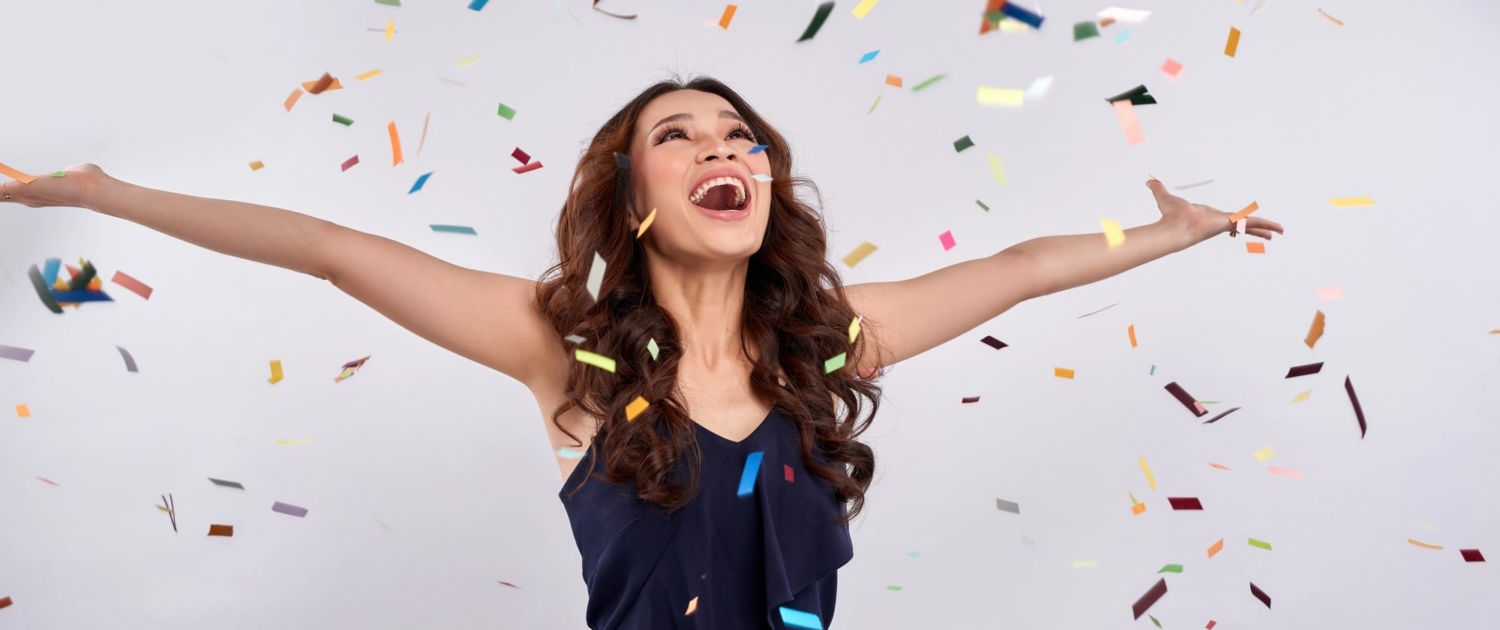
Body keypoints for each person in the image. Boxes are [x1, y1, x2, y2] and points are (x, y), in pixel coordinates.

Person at [1, 76, 1282, 629]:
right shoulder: (562, 354)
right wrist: (107, 193)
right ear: (632, 197)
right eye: (684, 135)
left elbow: (1020, 268)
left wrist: (1162, 234)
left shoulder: (831, 345)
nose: (729, 151)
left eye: (743, 136)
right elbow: (327, 245)